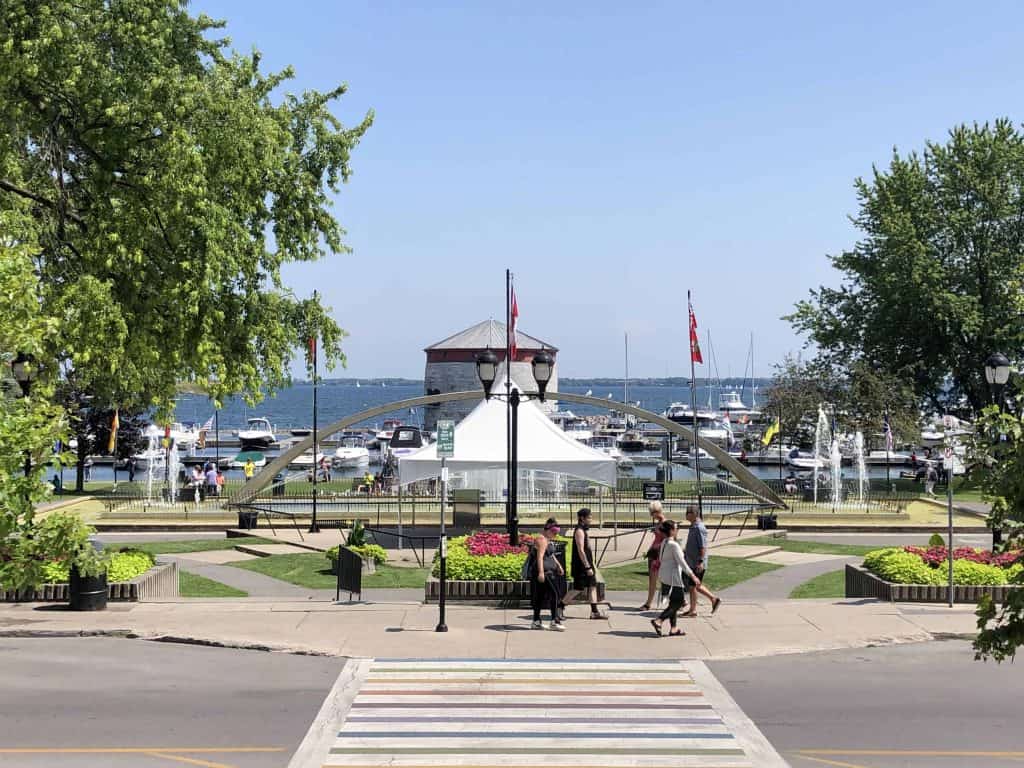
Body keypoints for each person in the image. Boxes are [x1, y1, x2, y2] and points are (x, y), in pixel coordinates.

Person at [651, 520, 697, 637]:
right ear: (671, 531)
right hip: (673, 578)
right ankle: (659, 620)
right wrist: (693, 575)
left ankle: (674, 628)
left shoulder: (664, 542)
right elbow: (682, 563)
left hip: (665, 576)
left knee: (673, 602)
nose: (677, 531)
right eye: (676, 529)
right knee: (680, 602)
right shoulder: (674, 545)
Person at [682, 506, 722, 617]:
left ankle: (693, 610)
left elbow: (702, 547)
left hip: (697, 563)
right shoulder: (694, 526)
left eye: (687, 512)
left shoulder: (699, 527)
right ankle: (714, 599)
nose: (686, 514)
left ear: (694, 514)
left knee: (692, 586)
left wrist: (700, 562)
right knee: (696, 585)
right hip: (692, 561)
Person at [530, 518, 566, 631]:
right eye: (554, 532)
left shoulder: (547, 539)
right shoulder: (541, 539)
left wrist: (558, 565)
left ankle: (536, 621)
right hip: (545, 572)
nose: (555, 535)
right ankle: (554, 621)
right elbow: (540, 557)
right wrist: (541, 573)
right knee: (555, 594)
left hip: (549, 570)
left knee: (540, 596)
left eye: (556, 533)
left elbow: (550, 554)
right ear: (547, 530)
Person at [569, 508, 605, 620]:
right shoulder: (579, 531)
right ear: (582, 518)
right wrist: (587, 566)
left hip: (588, 564)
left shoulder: (583, 530)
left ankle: (594, 612)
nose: (591, 520)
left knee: (592, 586)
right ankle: (560, 606)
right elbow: (580, 550)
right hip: (582, 566)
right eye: (589, 517)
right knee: (578, 588)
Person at [640, 501, 667, 610]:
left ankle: (648, 603)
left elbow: (667, 540)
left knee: (657, 579)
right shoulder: (659, 523)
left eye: (652, 513)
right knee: (654, 578)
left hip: (658, 554)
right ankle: (648, 602)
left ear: (657, 511)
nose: (651, 516)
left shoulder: (665, 523)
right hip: (654, 553)